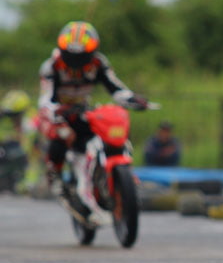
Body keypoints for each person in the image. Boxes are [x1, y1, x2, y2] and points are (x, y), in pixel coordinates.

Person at [38, 21, 147, 225]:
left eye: (82, 56)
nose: (76, 62)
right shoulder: (51, 66)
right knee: (62, 133)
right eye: (71, 56)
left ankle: (117, 173)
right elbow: (45, 100)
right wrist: (58, 110)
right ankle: (56, 177)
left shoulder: (98, 63)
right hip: (57, 113)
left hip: (83, 111)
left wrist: (133, 99)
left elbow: (115, 88)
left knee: (110, 125)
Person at [0, 90, 39, 193]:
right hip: (8, 146)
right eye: (10, 115)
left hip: (26, 149)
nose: (12, 118)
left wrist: (14, 137)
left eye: (15, 115)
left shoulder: (31, 119)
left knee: (28, 157)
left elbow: (27, 141)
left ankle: (28, 183)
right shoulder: (5, 116)